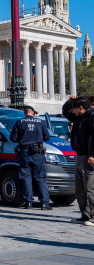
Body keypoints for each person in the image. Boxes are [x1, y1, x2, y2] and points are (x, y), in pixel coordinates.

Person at [10, 105, 52, 211]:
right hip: (38, 152)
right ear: (33, 112)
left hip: (24, 152)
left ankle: (28, 202)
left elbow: (13, 138)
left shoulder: (20, 122)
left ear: (25, 113)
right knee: (40, 177)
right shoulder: (40, 122)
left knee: (25, 177)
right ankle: (44, 203)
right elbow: (47, 137)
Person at [63, 96, 94, 225]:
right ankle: (85, 214)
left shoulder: (91, 117)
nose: (73, 112)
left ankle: (93, 216)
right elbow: (66, 113)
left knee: (90, 187)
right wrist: (69, 101)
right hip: (79, 155)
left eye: (74, 108)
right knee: (79, 188)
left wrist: (92, 154)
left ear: (81, 107)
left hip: (88, 157)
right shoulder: (78, 118)